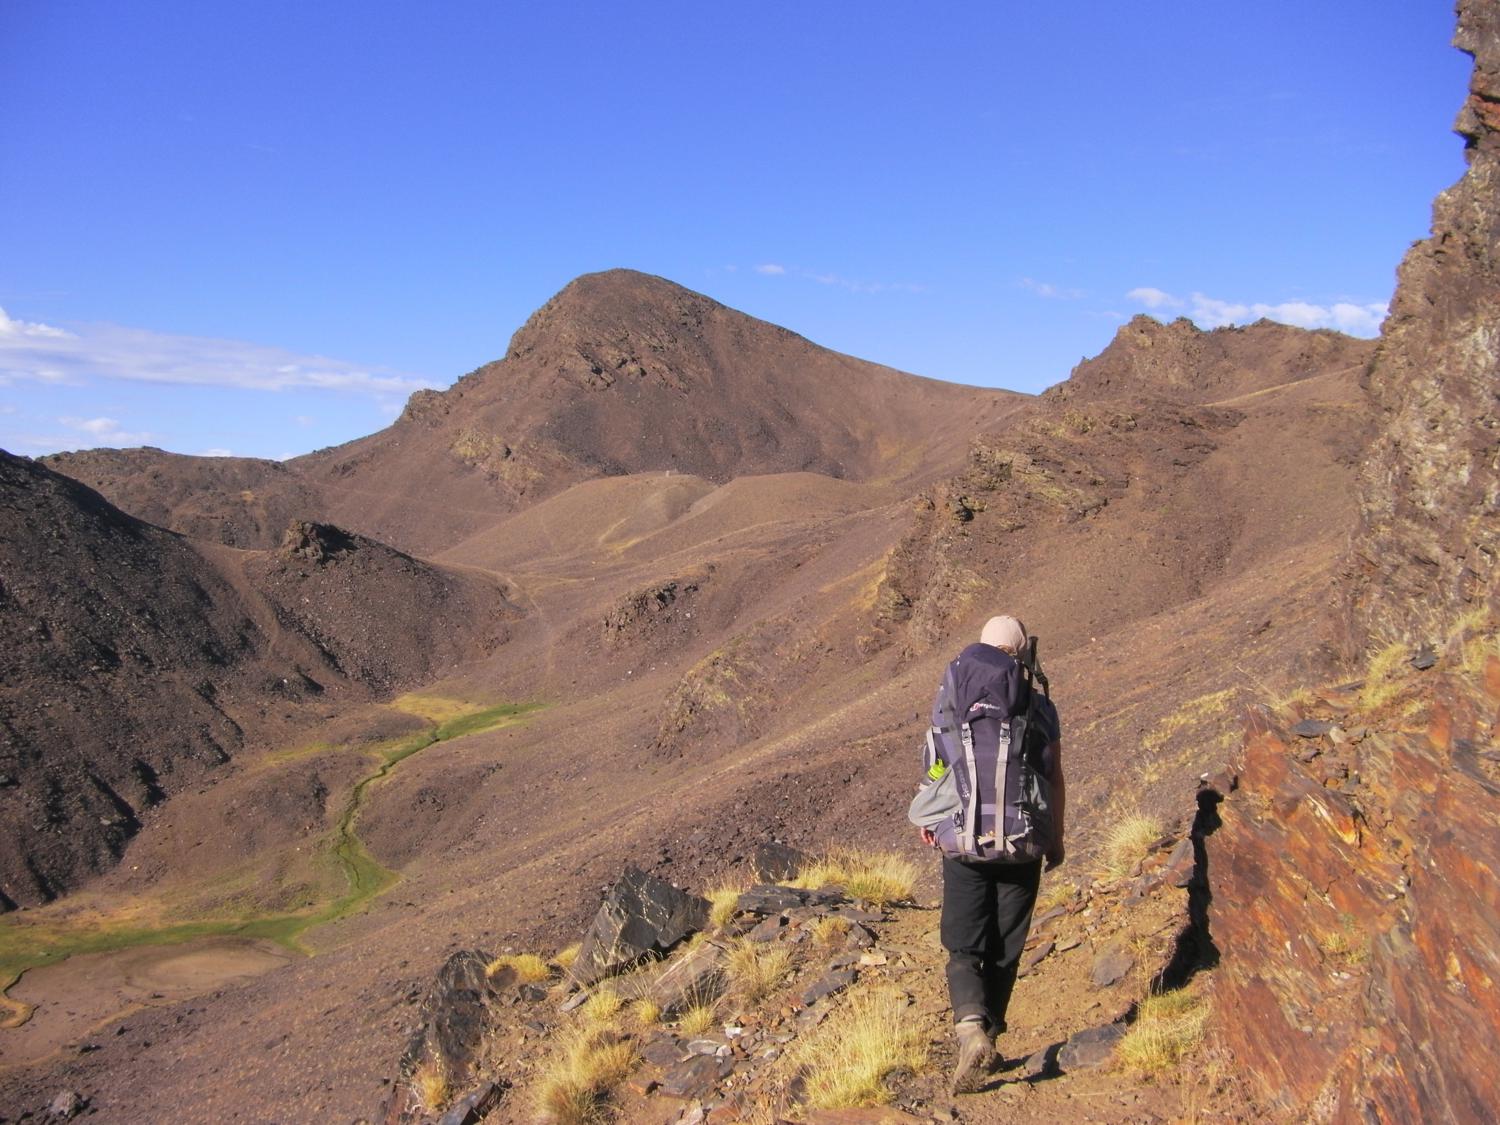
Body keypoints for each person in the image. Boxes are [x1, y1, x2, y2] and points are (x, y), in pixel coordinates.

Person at [917, 614, 1066, 1093]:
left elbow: (937, 761)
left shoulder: (953, 698)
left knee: (964, 945)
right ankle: (992, 1032)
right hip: (1023, 845)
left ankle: (970, 1031)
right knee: (1006, 946)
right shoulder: (1039, 707)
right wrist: (1056, 838)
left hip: (963, 841)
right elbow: (1052, 777)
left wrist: (931, 817)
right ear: (1022, 653)